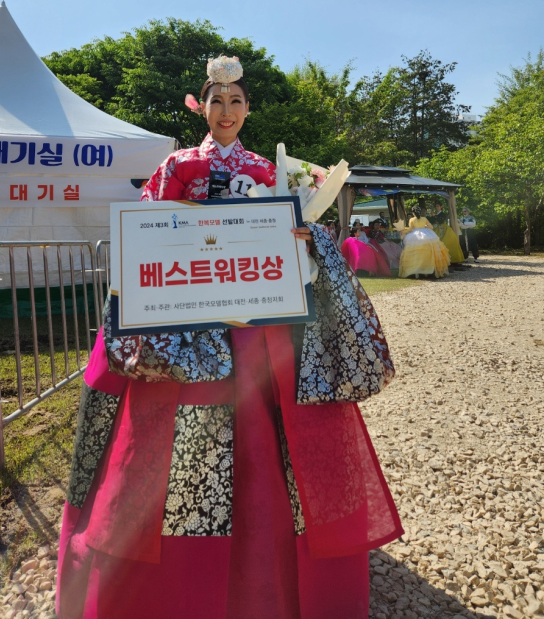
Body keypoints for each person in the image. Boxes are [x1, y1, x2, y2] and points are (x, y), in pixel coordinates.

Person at [56, 56, 402, 619]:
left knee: (265, 436)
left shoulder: (270, 171)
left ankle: (267, 564)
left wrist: (305, 233)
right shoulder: (175, 166)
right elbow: (146, 224)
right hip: (184, 321)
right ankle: (178, 573)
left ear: (247, 109)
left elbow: (292, 231)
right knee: (171, 442)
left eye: (236, 101)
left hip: (256, 325)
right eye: (217, 101)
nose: (226, 111)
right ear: (202, 107)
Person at [398, 205, 450, 279]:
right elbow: (431, 227)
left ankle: (416, 272)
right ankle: (427, 270)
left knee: (415, 254)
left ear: (413, 213)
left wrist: (403, 231)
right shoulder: (424, 218)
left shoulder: (412, 220)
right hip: (426, 235)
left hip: (414, 236)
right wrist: (425, 226)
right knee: (427, 253)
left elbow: (410, 229)